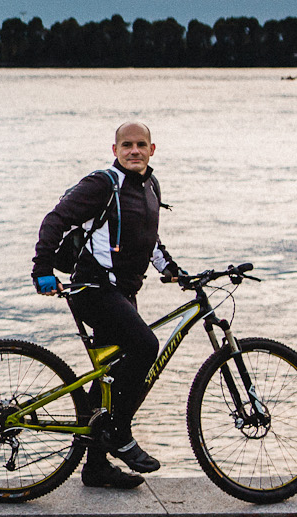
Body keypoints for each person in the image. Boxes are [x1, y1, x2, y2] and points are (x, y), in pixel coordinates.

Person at [31, 121, 183, 490]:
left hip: (122, 292)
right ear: (115, 150)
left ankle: (96, 468)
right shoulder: (103, 183)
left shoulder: (150, 185)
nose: (134, 150)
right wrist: (42, 268)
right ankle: (119, 433)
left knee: (109, 378)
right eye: (127, 145)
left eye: (141, 144)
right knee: (145, 346)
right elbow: (56, 219)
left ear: (152, 149)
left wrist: (175, 271)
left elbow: (149, 238)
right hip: (93, 289)